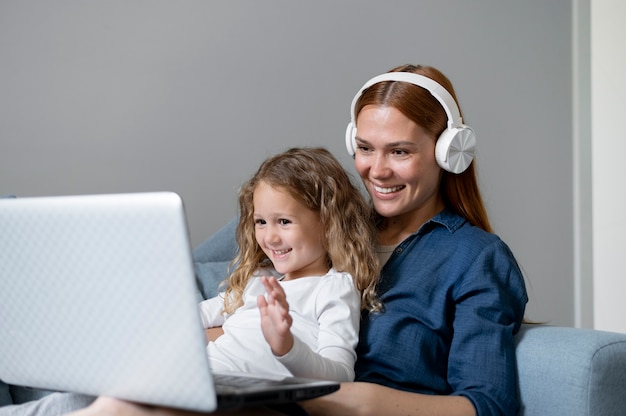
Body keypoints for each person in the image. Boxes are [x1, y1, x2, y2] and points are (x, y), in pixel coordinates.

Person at [6, 64, 528, 416]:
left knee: (125, 408)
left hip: (329, 409)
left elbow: (486, 404)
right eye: (365, 149)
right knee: (100, 397)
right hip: (254, 395)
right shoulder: (326, 226)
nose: (376, 170)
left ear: (447, 152)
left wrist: (355, 400)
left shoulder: (474, 258)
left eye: (399, 152)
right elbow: (244, 305)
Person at [198, 147, 379, 381]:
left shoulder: (334, 288)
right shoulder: (260, 278)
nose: (270, 237)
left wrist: (287, 347)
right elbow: (197, 314)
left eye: (284, 221)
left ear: (328, 223)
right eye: (261, 222)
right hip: (201, 377)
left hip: (240, 397)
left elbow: (341, 376)